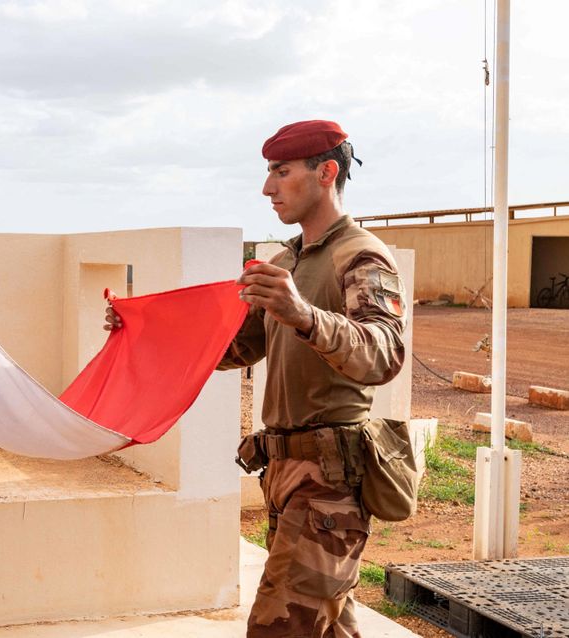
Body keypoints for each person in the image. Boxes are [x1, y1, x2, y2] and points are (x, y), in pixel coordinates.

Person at [105, 120, 406, 637]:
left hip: (329, 483)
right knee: (328, 624)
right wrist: (144, 334)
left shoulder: (360, 255)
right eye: (269, 172)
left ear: (326, 172)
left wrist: (304, 314)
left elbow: (382, 354)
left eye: (281, 172)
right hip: (283, 473)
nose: (267, 187)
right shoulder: (286, 260)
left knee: (278, 627)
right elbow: (238, 346)